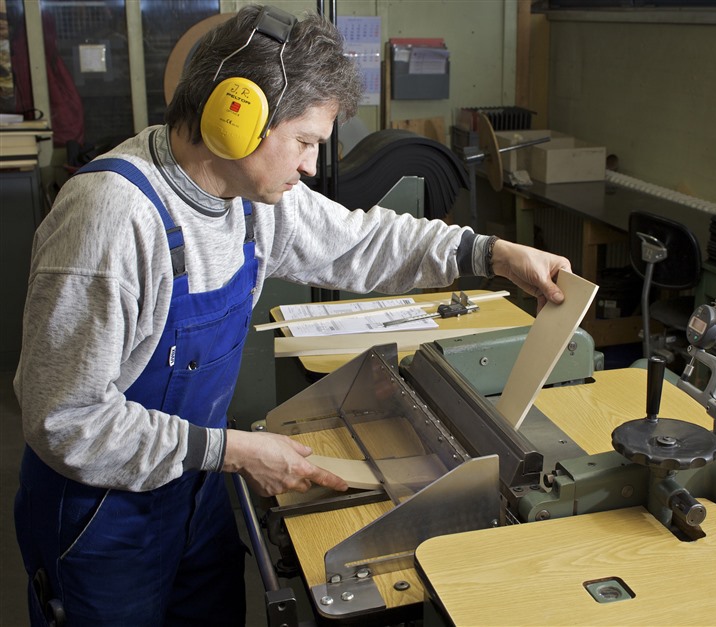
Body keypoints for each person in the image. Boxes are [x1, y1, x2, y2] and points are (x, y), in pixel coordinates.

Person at [13, 4, 572, 626]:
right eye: (304, 142)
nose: (309, 165)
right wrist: (232, 451)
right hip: (101, 515)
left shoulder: (254, 201)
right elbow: (67, 419)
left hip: (192, 487)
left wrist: (491, 253)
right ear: (235, 118)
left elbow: (361, 243)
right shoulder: (111, 222)